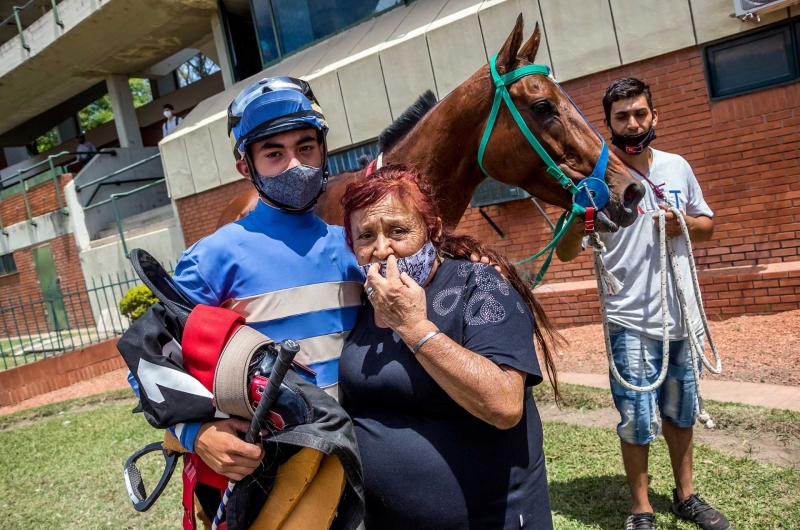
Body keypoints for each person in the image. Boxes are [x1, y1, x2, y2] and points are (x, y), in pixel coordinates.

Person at [338, 165, 561, 529]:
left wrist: (414, 328)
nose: (382, 250)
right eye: (365, 236)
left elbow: (504, 404)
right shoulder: (363, 298)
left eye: (398, 231)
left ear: (433, 230)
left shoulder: (480, 286)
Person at [555, 77, 729, 530]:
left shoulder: (677, 167)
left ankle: (687, 496)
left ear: (655, 117)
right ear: (608, 124)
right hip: (628, 318)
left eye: (640, 114)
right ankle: (641, 509)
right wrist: (579, 221)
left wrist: (683, 225)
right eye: (622, 117)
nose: (632, 124)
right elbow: (566, 252)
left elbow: (708, 225)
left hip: (680, 317)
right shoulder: (595, 179)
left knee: (682, 412)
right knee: (635, 419)